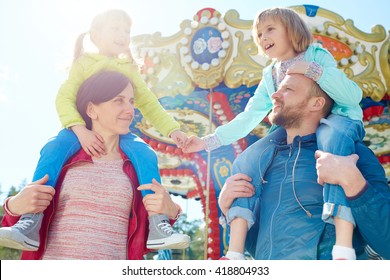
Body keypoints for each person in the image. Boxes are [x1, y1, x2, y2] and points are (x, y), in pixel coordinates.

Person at [0, 9, 189, 252]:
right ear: (96, 35)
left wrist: (173, 130)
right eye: (115, 28)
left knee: (146, 154)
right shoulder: (84, 64)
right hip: (78, 129)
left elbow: (150, 103)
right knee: (54, 147)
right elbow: (64, 98)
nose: (122, 34)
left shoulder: (129, 68)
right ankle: (30, 220)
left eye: (127, 31)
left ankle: (157, 223)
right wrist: (80, 130)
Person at [183, 7, 364, 260]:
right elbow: (250, 115)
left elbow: (351, 96)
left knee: (332, 146)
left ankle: (343, 245)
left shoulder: (317, 55)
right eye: (259, 33)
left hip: (337, 119)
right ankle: (234, 252)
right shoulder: (270, 74)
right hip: (287, 128)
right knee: (246, 160)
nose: (263, 37)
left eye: (270, 29)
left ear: (292, 31)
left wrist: (313, 70)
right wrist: (207, 141)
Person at [217, 73, 390, 260]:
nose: (274, 95)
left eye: (288, 90)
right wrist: (228, 209)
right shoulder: (263, 164)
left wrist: (354, 182)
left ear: (316, 103)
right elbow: (260, 249)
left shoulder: (353, 153)